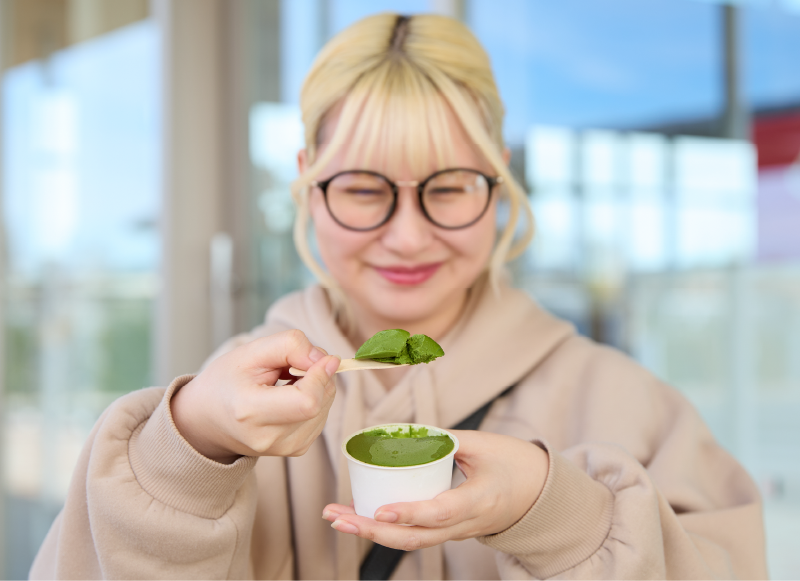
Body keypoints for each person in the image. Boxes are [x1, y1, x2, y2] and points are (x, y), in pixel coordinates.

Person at [31, 12, 767, 581]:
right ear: (306, 182)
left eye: (447, 188)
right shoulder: (230, 406)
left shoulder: (630, 404)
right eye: (362, 190)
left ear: (499, 178)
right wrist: (186, 446)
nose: (409, 238)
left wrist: (557, 509)